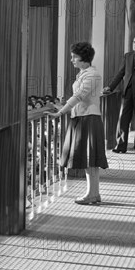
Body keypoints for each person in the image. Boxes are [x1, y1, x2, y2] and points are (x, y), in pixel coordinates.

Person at [49, 42, 108, 205]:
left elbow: (80, 95)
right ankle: (94, 193)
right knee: (90, 160)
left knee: (90, 159)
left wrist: (61, 112)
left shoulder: (92, 75)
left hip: (88, 118)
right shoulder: (85, 73)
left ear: (84, 58)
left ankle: (92, 193)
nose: (71, 60)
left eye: (74, 57)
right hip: (84, 116)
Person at [103, 34, 135, 154]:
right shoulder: (128, 56)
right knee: (123, 119)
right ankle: (121, 146)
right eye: (134, 42)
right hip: (128, 92)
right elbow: (120, 73)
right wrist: (110, 87)